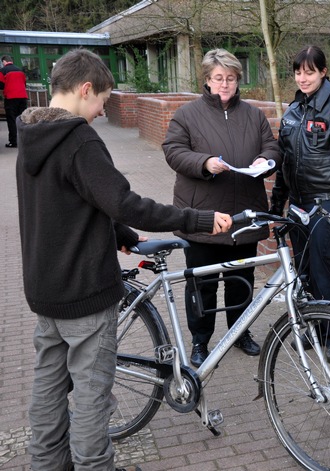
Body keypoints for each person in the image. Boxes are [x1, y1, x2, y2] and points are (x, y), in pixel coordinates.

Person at [15, 49, 233, 471]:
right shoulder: (77, 139)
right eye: (102, 101)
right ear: (85, 89)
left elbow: (68, 203)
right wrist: (199, 219)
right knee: (93, 401)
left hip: (44, 291)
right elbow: (126, 202)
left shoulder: (31, 135)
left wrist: (120, 236)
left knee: (47, 395)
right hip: (85, 293)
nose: (100, 112)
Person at [163, 48, 281, 367]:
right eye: (219, 78)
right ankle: (200, 342)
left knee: (240, 282)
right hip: (203, 217)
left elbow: (272, 145)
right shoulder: (187, 115)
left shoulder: (254, 115)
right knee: (201, 286)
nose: (225, 84)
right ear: (207, 80)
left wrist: (265, 160)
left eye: (230, 78)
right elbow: (173, 150)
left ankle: (240, 332)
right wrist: (204, 162)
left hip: (244, 216)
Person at [270, 45, 330, 364]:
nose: (302, 77)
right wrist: (277, 205)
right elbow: (285, 161)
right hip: (297, 208)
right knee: (304, 274)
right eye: (298, 72)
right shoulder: (293, 111)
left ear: (324, 72)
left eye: (309, 71)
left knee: (325, 273)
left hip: (329, 206)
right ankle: (313, 330)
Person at [0, 55, 28, 148]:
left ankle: (13, 142)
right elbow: (24, 84)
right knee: (21, 119)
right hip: (23, 97)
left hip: (11, 98)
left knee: (11, 120)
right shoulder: (20, 71)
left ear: (4, 62)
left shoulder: (3, 71)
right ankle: (24, 140)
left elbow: (1, 85)